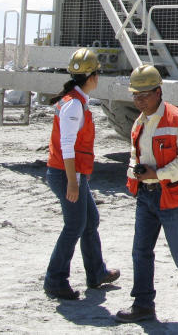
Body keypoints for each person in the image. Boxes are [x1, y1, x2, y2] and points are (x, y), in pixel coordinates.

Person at [115, 64, 178, 323]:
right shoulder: (139, 123)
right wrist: (134, 174)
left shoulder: (176, 120)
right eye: (135, 95)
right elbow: (134, 155)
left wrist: (156, 174)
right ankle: (143, 304)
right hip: (146, 197)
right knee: (140, 251)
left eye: (144, 94)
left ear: (158, 92)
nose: (139, 100)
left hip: (169, 196)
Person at [43, 47, 120, 300]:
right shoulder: (74, 106)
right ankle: (55, 280)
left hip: (73, 173)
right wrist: (74, 183)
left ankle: (96, 272)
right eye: (98, 73)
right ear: (93, 77)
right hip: (66, 173)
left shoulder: (75, 101)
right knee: (75, 225)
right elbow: (67, 145)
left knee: (90, 221)